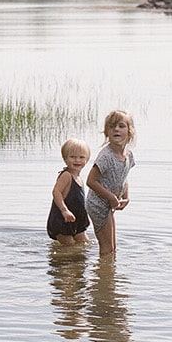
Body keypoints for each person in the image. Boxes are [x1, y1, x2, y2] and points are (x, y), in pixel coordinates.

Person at [85, 109, 136, 256]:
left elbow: (123, 177)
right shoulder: (105, 156)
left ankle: (109, 276)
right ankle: (104, 277)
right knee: (107, 248)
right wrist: (111, 197)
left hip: (109, 203)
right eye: (112, 126)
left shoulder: (129, 155)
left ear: (130, 132)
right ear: (107, 132)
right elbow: (91, 181)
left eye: (121, 126)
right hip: (98, 204)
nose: (116, 129)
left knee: (113, 248)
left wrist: (126, 197)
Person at [46, 138, 92, 246]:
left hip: (76, 220)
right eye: (73, 157)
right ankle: (61, 259)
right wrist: (64, 210)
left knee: (86, 244)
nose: (77, 160)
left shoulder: (79, 178)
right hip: (63, 221)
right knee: (70, 248)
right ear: (65, 159)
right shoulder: (66, 175)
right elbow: (56, 192)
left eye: (81, 157)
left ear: (87, 159)